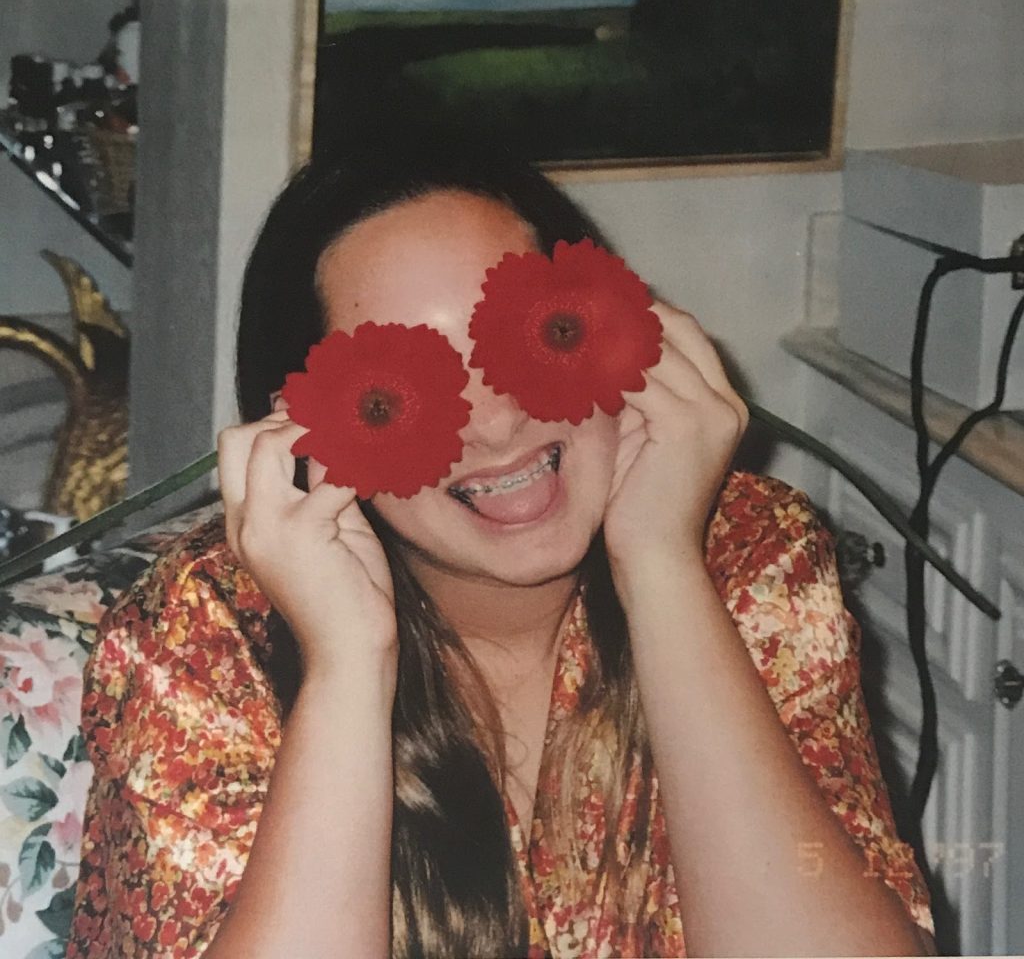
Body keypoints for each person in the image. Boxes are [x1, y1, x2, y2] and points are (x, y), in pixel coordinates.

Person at [68, 145, 937, 959]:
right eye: (398, 392)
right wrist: (345, 667)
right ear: (308, 436)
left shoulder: (750, 553)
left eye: (539, 339)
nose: (495, 423)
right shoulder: (203, 632)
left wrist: (664, 566)